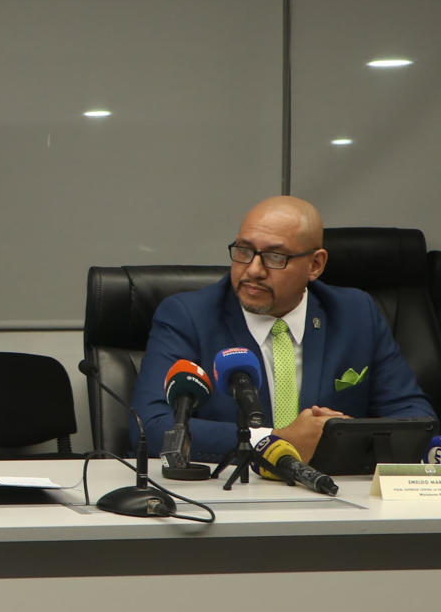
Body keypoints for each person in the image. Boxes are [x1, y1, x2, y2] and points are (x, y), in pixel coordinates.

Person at [135, 195, 434, 461]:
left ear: (315, 265)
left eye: (275, 257)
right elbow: (152, 425)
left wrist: (342, 436)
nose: (253, 269)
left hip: (339, 496)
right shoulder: (188, 317)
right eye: (243, 251)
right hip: (233, 496)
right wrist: (277, 440)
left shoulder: (356, 313)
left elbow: (416, 418)